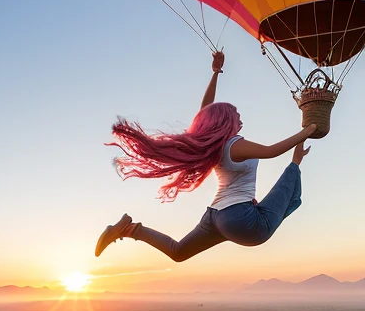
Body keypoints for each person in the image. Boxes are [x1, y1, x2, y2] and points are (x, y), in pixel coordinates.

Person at [95, 51, 316, 261]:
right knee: (275, 211)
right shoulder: (235, 145)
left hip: (216, 216)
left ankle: (129, 229)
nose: (239, 117)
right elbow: (270, 151)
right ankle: (295, 164)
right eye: (235, 114)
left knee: (178, 252)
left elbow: (205, 111)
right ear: (226, 121)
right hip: (240, 219)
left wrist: (215, 72)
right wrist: (306, 132)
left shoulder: (211, 145)